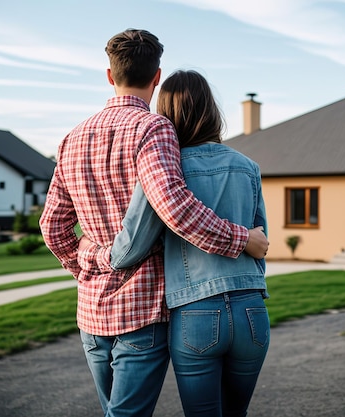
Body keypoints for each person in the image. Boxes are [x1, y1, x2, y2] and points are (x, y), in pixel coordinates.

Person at [39, 29, 268, 417]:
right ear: (157, 75)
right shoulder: (153, 129)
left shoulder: (70, 139)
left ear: (109, 76)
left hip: (91, 312)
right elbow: (174, 208)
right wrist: (241, 238)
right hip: (140, 308)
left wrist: (84, 266)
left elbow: (52, 226)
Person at [107, 69, 270, 417]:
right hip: (252, 309)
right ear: (212, 110)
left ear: (165, 114)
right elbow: (262, 243)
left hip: (195, 312)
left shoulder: (163, 168)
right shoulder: (248, 167)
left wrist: (96, 252)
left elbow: (132, 246)